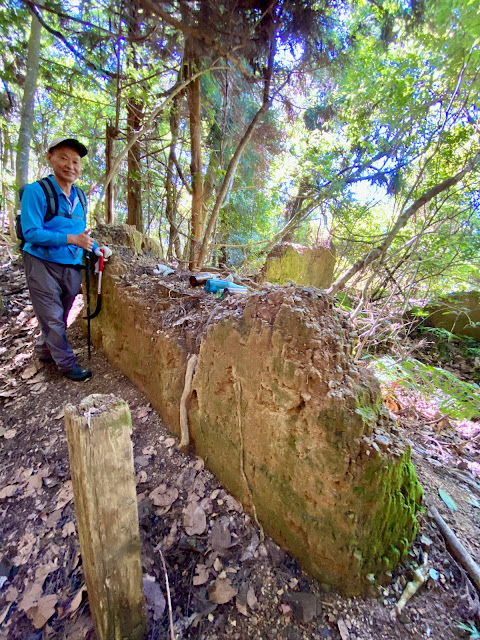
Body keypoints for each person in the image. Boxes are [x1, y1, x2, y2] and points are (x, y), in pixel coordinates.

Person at [20, 136, 112, 381]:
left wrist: (95, 249)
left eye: (75, 161)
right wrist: (71, 239)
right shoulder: (36, 191)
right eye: (63, 158)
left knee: (58, 316)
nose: (70, 165)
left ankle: (43, 350)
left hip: (71, 266)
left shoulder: (80, 197)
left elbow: (82, 234)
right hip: (41, 263)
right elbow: (30, 232)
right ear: (50, 157)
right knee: (52, 317)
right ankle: (67, 365)